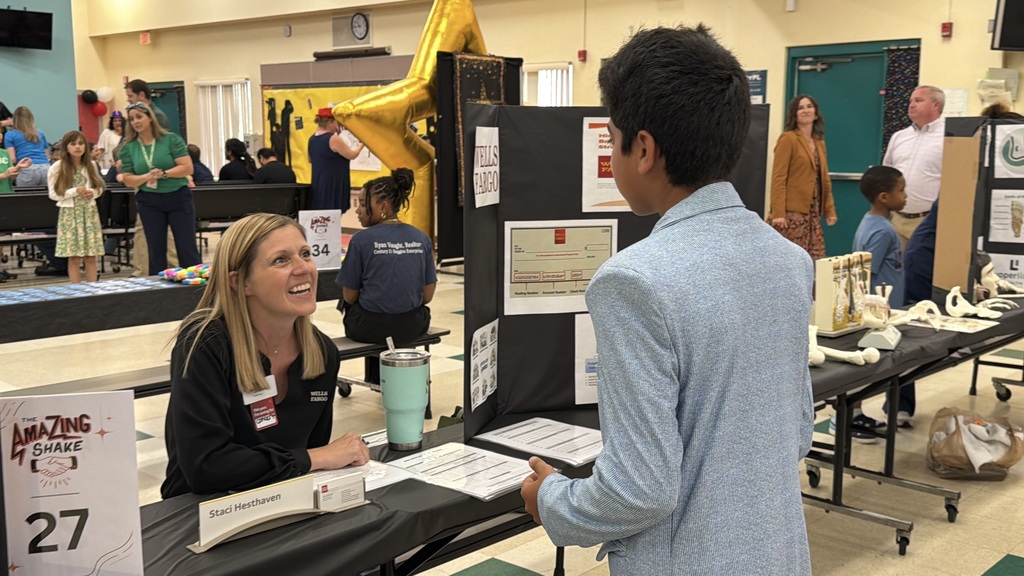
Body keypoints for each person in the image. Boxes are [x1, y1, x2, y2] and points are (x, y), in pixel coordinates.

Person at [519, 26, 813, 575]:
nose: (610, 153)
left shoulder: (633, 281)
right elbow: (797, 432)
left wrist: (553, 500)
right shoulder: (790, 261)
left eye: (612, 139)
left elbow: (639, 490)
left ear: (645, 149)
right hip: (777, 554)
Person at [161, 213, 370, 498]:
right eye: (281, 260)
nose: (303, 268)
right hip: (201, 512)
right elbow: (205, 467)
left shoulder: (322, 353)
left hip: (284, 501)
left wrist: (312, 460)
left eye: (305, 254)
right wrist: (314, 459)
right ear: (240, 282)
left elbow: (311, 453)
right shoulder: (205, 345)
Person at [336, 168, 436, 384]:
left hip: (367, 329)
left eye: (363, 204)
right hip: (413, 327)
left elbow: (349, 297)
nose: (358, 211)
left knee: (355, 305)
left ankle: (376, 380)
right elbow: (427, 296)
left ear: (383, 207)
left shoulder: (361, 240)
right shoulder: (422, 238)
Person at [119, 101, 201, 275]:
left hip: (178, 197)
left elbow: (187, 168)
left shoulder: (171, 140)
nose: (135, 122)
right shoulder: (129, 148)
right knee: (155, 250)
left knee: (186, 247)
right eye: (132, 119)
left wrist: (163, 174)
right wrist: (146, 177)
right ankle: (159, 293)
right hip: (149, 200)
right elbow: (128, 179)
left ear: (150, 117)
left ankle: (197, 289)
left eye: (139, 117)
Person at [769, 94, 837, 260]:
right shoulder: (788, 139)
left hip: (813, 214)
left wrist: (829, 210)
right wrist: (778, 212)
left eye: (809, 106)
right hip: (791, 214)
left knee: (813, 259)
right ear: (794, 114)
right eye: (800, 108)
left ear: (815, 113)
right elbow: (778, 178)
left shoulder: (819, 142)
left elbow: (824, 179)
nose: (806, 110)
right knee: (791, 260)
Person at [882, 85, 945, 248]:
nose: (911, 105)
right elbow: (886, 174)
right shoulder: (899, 137)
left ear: (936, 105)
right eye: (911, 101)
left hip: (928, 222)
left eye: (918, 100)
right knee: (896, 271)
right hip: (896, 220)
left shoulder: (949, 137)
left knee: (921, 271)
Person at [47, 131, 106, 283]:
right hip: (69, 214)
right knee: (73, 257)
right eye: (73, 144)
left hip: (89, 213)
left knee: (90, 255)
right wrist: (74, 191)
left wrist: (92, 192)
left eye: (80, 144)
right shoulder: (57, 167)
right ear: (66, 147)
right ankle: (76, 290)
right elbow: (53, 194)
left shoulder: (91, 165)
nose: (78, 147)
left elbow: (99, 188)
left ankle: (93, 288)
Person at [855, 166, 907, 308]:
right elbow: (867, 273)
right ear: (884, 197)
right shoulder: (884, 231)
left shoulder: (868, 221)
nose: (906, 195)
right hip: (882, 309)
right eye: (901, 190)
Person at [308, 107, 363, 211]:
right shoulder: (333, 139)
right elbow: (352, 155)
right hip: (333, 183)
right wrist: (362, 144)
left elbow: (310, 159)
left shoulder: (312, 139)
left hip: (319, 182)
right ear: (330, 122)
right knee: (334, 211)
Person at [5, 106, 51, 186]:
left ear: (14, 119)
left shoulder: (10, 135)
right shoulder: (39, 133)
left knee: (26, 198)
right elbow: (47, 154)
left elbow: (12, 159)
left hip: (27, 169)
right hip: (46, 168)